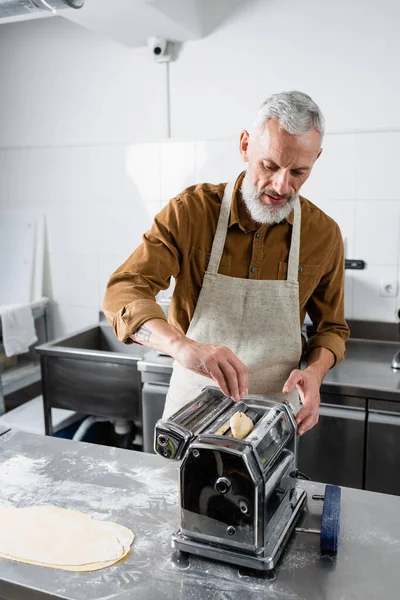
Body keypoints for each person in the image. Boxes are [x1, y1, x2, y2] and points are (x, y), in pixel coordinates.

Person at [103, 91, 349, 436]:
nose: (282, 185)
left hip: (273, 422)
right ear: (245, 145)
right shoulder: (191, 212)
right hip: (190, 411)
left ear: (316, 159)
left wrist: (315, 373)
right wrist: (180, 346)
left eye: (298, 172)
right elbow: (122, 291)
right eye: (270, 165)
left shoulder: (322, 234)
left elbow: (331, 329)